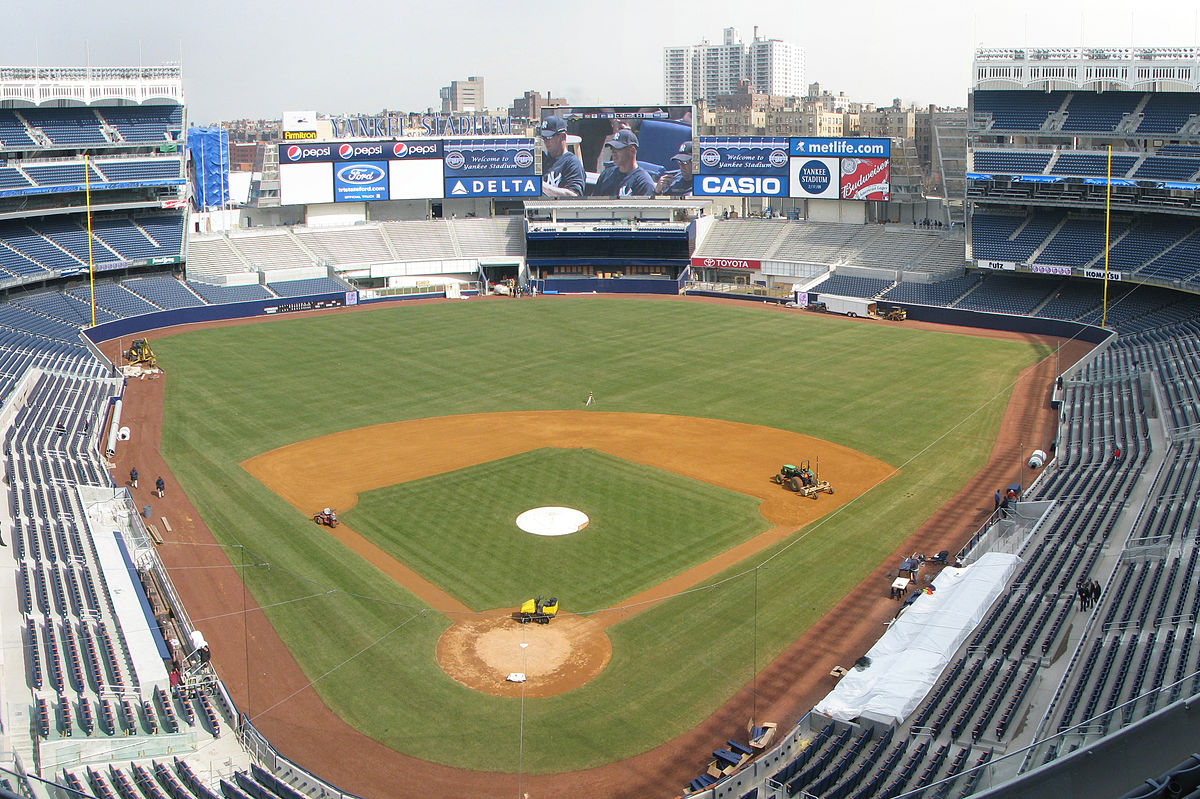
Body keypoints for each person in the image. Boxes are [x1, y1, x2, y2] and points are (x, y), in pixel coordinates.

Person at [588, 130, 656, 198]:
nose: (613, 152)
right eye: (612, 148)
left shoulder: (643, 183)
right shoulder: (606, 175)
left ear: (632, 150)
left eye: (618, 148)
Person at [538, 116, 585, 198]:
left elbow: (575, 196)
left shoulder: (572, 163)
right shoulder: (542, 159)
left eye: (549, 137)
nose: (545, 141)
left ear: (562, 137)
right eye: (543, 137)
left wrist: (540, 185)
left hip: (559, 209)